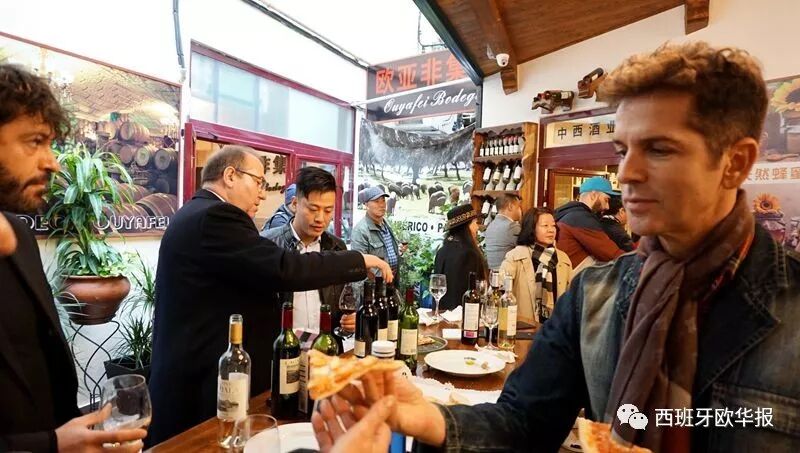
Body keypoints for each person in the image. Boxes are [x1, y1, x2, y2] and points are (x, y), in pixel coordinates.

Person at [316, 42, 800, 452]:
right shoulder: (595, 296)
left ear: (736, 162)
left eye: (659, 149)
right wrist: (430, 419)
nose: (626, 175)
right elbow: (523, 422)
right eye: (622, 151)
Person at [148, 145, 393, 445]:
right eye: (258, 182)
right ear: (230, 176)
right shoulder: (216, 216)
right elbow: (284, 268)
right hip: (200, 381)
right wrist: (359, 260)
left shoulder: (195, 212)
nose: (262, 194)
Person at [0, 64, 146, 452]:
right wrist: (52, 445)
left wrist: (75, 438)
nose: (52, 162)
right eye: (34, 141)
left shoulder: (19, 236)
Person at [262, 166, 355, 334]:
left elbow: (343, 303)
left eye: (328, 210)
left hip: (326, 346)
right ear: (295, 204)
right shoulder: (267, 245)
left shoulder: (337, 248)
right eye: (313, 209)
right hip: (282, 346)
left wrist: (348, 324)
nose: (320, 218)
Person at [500, 208, 572, 326]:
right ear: (532, 228)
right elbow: (501, 288)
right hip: (524, 327)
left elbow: (571, 296)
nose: (551, 230)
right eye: (545, 225)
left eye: (553, 226)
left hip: (555, 328)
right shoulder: (515, 256)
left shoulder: (562, 258)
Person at [554, 176, 625, 271]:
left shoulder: (569, 213)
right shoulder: (581, 218)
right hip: (574, 277)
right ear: (593, 195)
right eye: (606, 200)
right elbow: (611, 254)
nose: (607, 207)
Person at [433, 205, 487, 311]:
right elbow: (468, 294)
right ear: (466, 227)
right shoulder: (469, 254)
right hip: (462, 315)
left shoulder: (442, 251)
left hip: (441, 313)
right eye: (475, 223)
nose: (477, 228)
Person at [351, 187, 403, 277]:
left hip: (391, 279)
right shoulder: (360, 231)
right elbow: (359, 264)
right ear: (366, 205)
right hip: (375, 283)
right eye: (376, 201)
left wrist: (399, 250)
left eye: (383, 201)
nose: (382, 205)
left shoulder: (386, 224)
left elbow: (387, 251)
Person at [483, 193, 522, 270]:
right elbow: (529, 249)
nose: (521, 210)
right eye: (519, 207)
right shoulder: (512, 227)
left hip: (492, 273)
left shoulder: (491, 226)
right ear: (510, 206)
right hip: (507, 274)